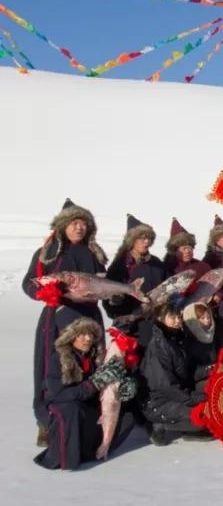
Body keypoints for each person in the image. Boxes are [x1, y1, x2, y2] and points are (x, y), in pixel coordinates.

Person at [23, 199, 108, 445]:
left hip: (90, 318)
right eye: (74, 222)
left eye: (83, 222)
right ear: (63, 226)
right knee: (51, 368)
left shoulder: (95, 253)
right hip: (57, 320)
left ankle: (87, 419)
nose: (79, 227)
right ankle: (47, 422)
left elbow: (105, 284)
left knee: (91, 365)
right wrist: (42, 293)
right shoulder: (48, 253)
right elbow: (29, 282)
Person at [34, 317, 134, 470]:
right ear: (72, 336)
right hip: (58, 408)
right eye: (82, 334)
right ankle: (66, 458)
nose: (88, 338)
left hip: (86, 405)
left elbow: (102, 391)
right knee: (71, 409)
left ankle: (98, 448)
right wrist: (92, 385)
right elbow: (58, 395)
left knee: (129, 411)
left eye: (91, 335)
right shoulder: (59, 359)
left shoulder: (96, 359)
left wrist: (121, 389)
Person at [140, 304, 208, 446]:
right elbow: (166, 386)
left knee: (210, 389)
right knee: (202, 415)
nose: (177, 321)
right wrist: (195, 399)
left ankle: (190, 425)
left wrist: (208, 370)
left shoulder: (175, 340)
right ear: (160, 319)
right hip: (159, 401)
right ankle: (157, 423)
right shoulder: (158, 346)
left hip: (178, 393)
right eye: (172, 317)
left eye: (178, 317)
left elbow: (187, 371)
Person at [104, 214, 167, 321]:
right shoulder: (120, 265)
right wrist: (114, 303)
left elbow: (167, 288)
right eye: (142, 238)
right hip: (131, 324)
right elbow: (106, 298)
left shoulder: (157, 264)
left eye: (149, 238)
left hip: (156, 322)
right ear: (132, 240)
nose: (147, 241)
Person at [182, 302, 218, 392]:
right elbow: (189, 373)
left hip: (215, 376)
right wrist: (209, 370)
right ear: (193, 321)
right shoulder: (188, 344)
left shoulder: (211, 336)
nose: (207, 321)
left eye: (208, 317)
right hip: (200, 384)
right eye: (202, 318)